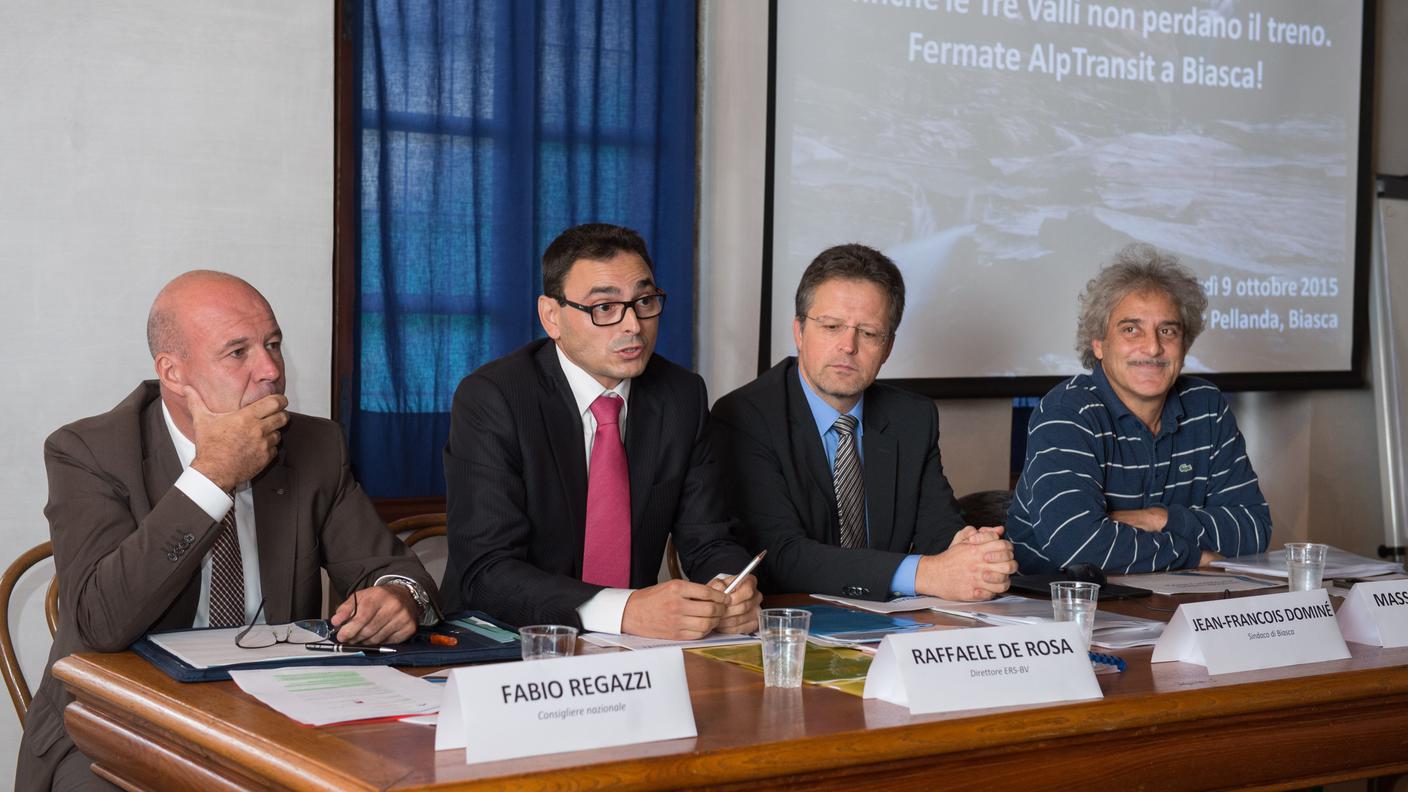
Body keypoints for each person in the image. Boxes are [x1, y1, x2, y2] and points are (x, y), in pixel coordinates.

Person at [17, 271, 438, 791]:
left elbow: (393, 569)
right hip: (118, 717)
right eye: (237, 352)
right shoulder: (89, 451)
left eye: (274, 344)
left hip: (275, 710)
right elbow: (101, 622)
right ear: (173, 373)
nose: (270, 370)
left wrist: (398, 597)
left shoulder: (314, 445)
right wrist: (212, 474)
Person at [441, 223, 761, 639]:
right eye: (604, 308)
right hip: (501, 640)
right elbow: (487, 570)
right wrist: (624, 610)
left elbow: (708, 538)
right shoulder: (493, 398)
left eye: (644, 301)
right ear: (551, 317)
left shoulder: (681, 395)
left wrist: (732, 586)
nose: (632, 326)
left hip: (633, 649)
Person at [711, 244, 1017, 601]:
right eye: (831, 326)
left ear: (888, 348)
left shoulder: (912, 418)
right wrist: (925, 574)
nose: (848, 346)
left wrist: (969, 548)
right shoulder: (745, 417)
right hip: (792, 624)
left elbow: (939, 528)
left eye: (869, 333)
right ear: (798, 331)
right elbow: (780, 556)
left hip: (895, 628)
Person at [1007, 244, 1272, 574]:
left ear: (1184, 344)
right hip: (1060, 609)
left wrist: (1159, 518)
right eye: (1131, 329)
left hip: (1177, 602)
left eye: (1168, 331)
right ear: (1099, 344)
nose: (1153, 347)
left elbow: (1253, 528)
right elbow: (1079, 546)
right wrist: (1193, 555)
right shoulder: (1067, 412)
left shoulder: (1207, 405)